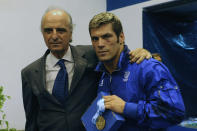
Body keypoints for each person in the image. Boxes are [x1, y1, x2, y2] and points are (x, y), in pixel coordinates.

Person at [21, 7, 151, 131]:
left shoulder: (92, 55)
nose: (54, 36)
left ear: (71, 33)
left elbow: (117, 53)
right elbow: (31, 120)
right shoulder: (30, 73)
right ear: (43, 34)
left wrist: (141, 52)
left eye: (61, 30)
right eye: (48, 30)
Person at [89, 12, 185, 130]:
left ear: (121, 37)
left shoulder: (148, 67)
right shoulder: (102, 73)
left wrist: (125, 108)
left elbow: (174, 113)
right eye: (95, 39)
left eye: (106, 37)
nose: (100, 44)